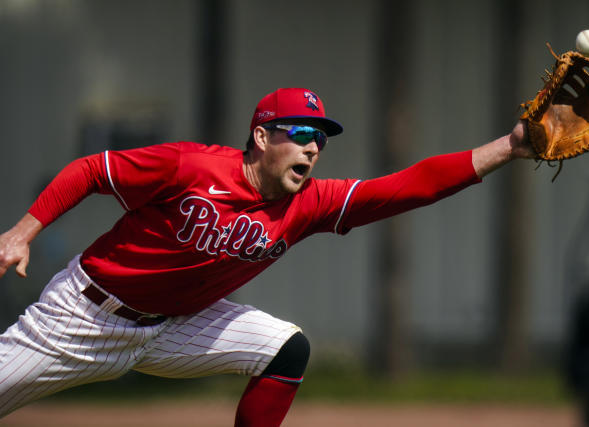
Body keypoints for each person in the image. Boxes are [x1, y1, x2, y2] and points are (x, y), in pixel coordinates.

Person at [0, 87, 534, 425]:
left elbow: (409, 186)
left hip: (174, 327)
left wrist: (507, 148)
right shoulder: (191, 167)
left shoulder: (310, 203)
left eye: (320, 139)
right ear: (261, 136)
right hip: (82, 316)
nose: (312, 147)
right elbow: (93, 170)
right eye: (301, 133)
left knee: (285, 348)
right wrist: (24, 231)